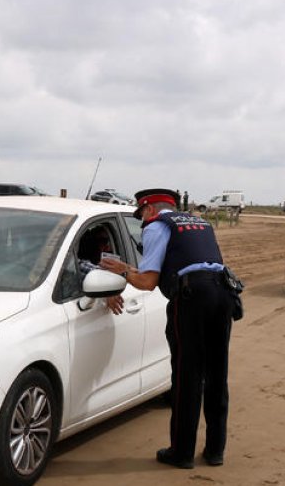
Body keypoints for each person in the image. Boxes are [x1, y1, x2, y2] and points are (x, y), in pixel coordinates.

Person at [98, 188, 234, 470]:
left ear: (149, 210)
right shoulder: (199, 223)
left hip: (192, 298)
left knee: (188, 376)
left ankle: (182, 453)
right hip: (223, 295)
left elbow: (147, 282)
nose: (142, 220)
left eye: (141, 214)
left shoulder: (156, 226)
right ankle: (215, 451)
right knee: (217, 374)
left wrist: (123, 271)